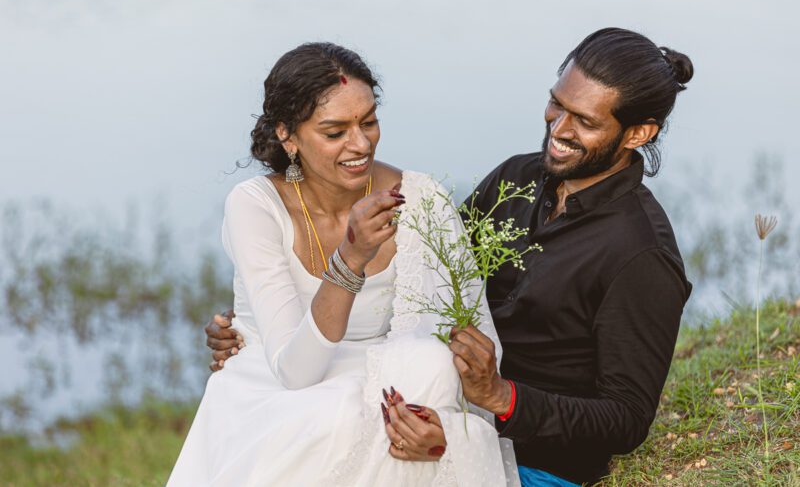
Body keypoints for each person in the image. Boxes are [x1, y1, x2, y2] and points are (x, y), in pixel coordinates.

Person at [206, 28, 694, 485]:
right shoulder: (519, 177)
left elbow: (626, 420)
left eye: (584, 121)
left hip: (534, 462)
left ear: (637, 134)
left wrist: (502, 402)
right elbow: (422, 270)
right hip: (428, 405)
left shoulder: (641, 253)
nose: (558, 128)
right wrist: (257, 322)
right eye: (555, 104)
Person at [168, 42, 517, 486]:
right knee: (329, 419)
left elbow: (471, 340)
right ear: (288, 136)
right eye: (335, 132)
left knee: (427, 373)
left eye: (369, 122)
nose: (361, 143)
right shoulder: (256, 207)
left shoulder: (420, 199)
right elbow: (297, 373)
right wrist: (351, 260)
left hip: (389, 384)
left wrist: (443, 427)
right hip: (281, 394)